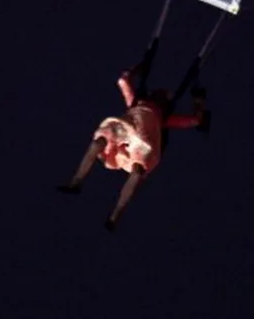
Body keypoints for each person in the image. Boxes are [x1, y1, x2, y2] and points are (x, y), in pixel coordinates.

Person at [57, 57, 209, 230]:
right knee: (98, 142)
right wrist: (140, 66)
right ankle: (76, 182)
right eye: (159, 94)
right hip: (124, 130)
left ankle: (116, 215)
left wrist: (199, 101)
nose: (160, 96)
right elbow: (123, 79)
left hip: (140, 144)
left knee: (137, 172)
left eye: (163, 96)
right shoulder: (135, 102)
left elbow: (196, 120)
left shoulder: (165, 118)